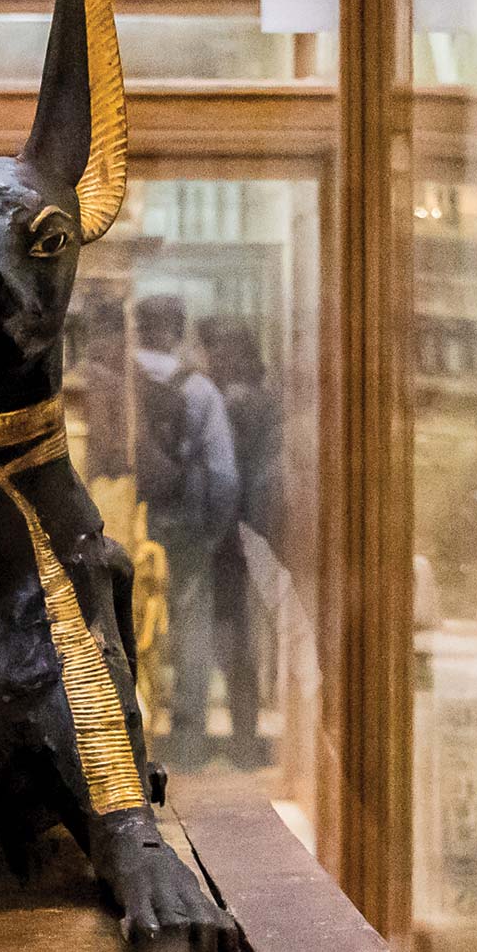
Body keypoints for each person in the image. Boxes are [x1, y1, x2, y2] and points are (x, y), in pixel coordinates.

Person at [133, 293, 239, 769]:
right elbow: (222, 473)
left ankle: (124, 731)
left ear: (139, 327)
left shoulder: (118, 377)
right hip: (184, 527)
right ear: (179, 330)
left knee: (123, 620)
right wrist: (213, 529)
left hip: (123, 521)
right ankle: (189, 740)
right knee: (190, 625)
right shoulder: (199, 389)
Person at [196, 320, 280, 769]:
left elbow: (228, 473)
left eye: (225, 352)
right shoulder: (257, 401)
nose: (216, 360)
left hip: (236, 532)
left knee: (233, 633)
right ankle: (242, 733)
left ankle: (243, 735)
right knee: (235, 632)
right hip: (247, 531)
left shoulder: (239, 403)